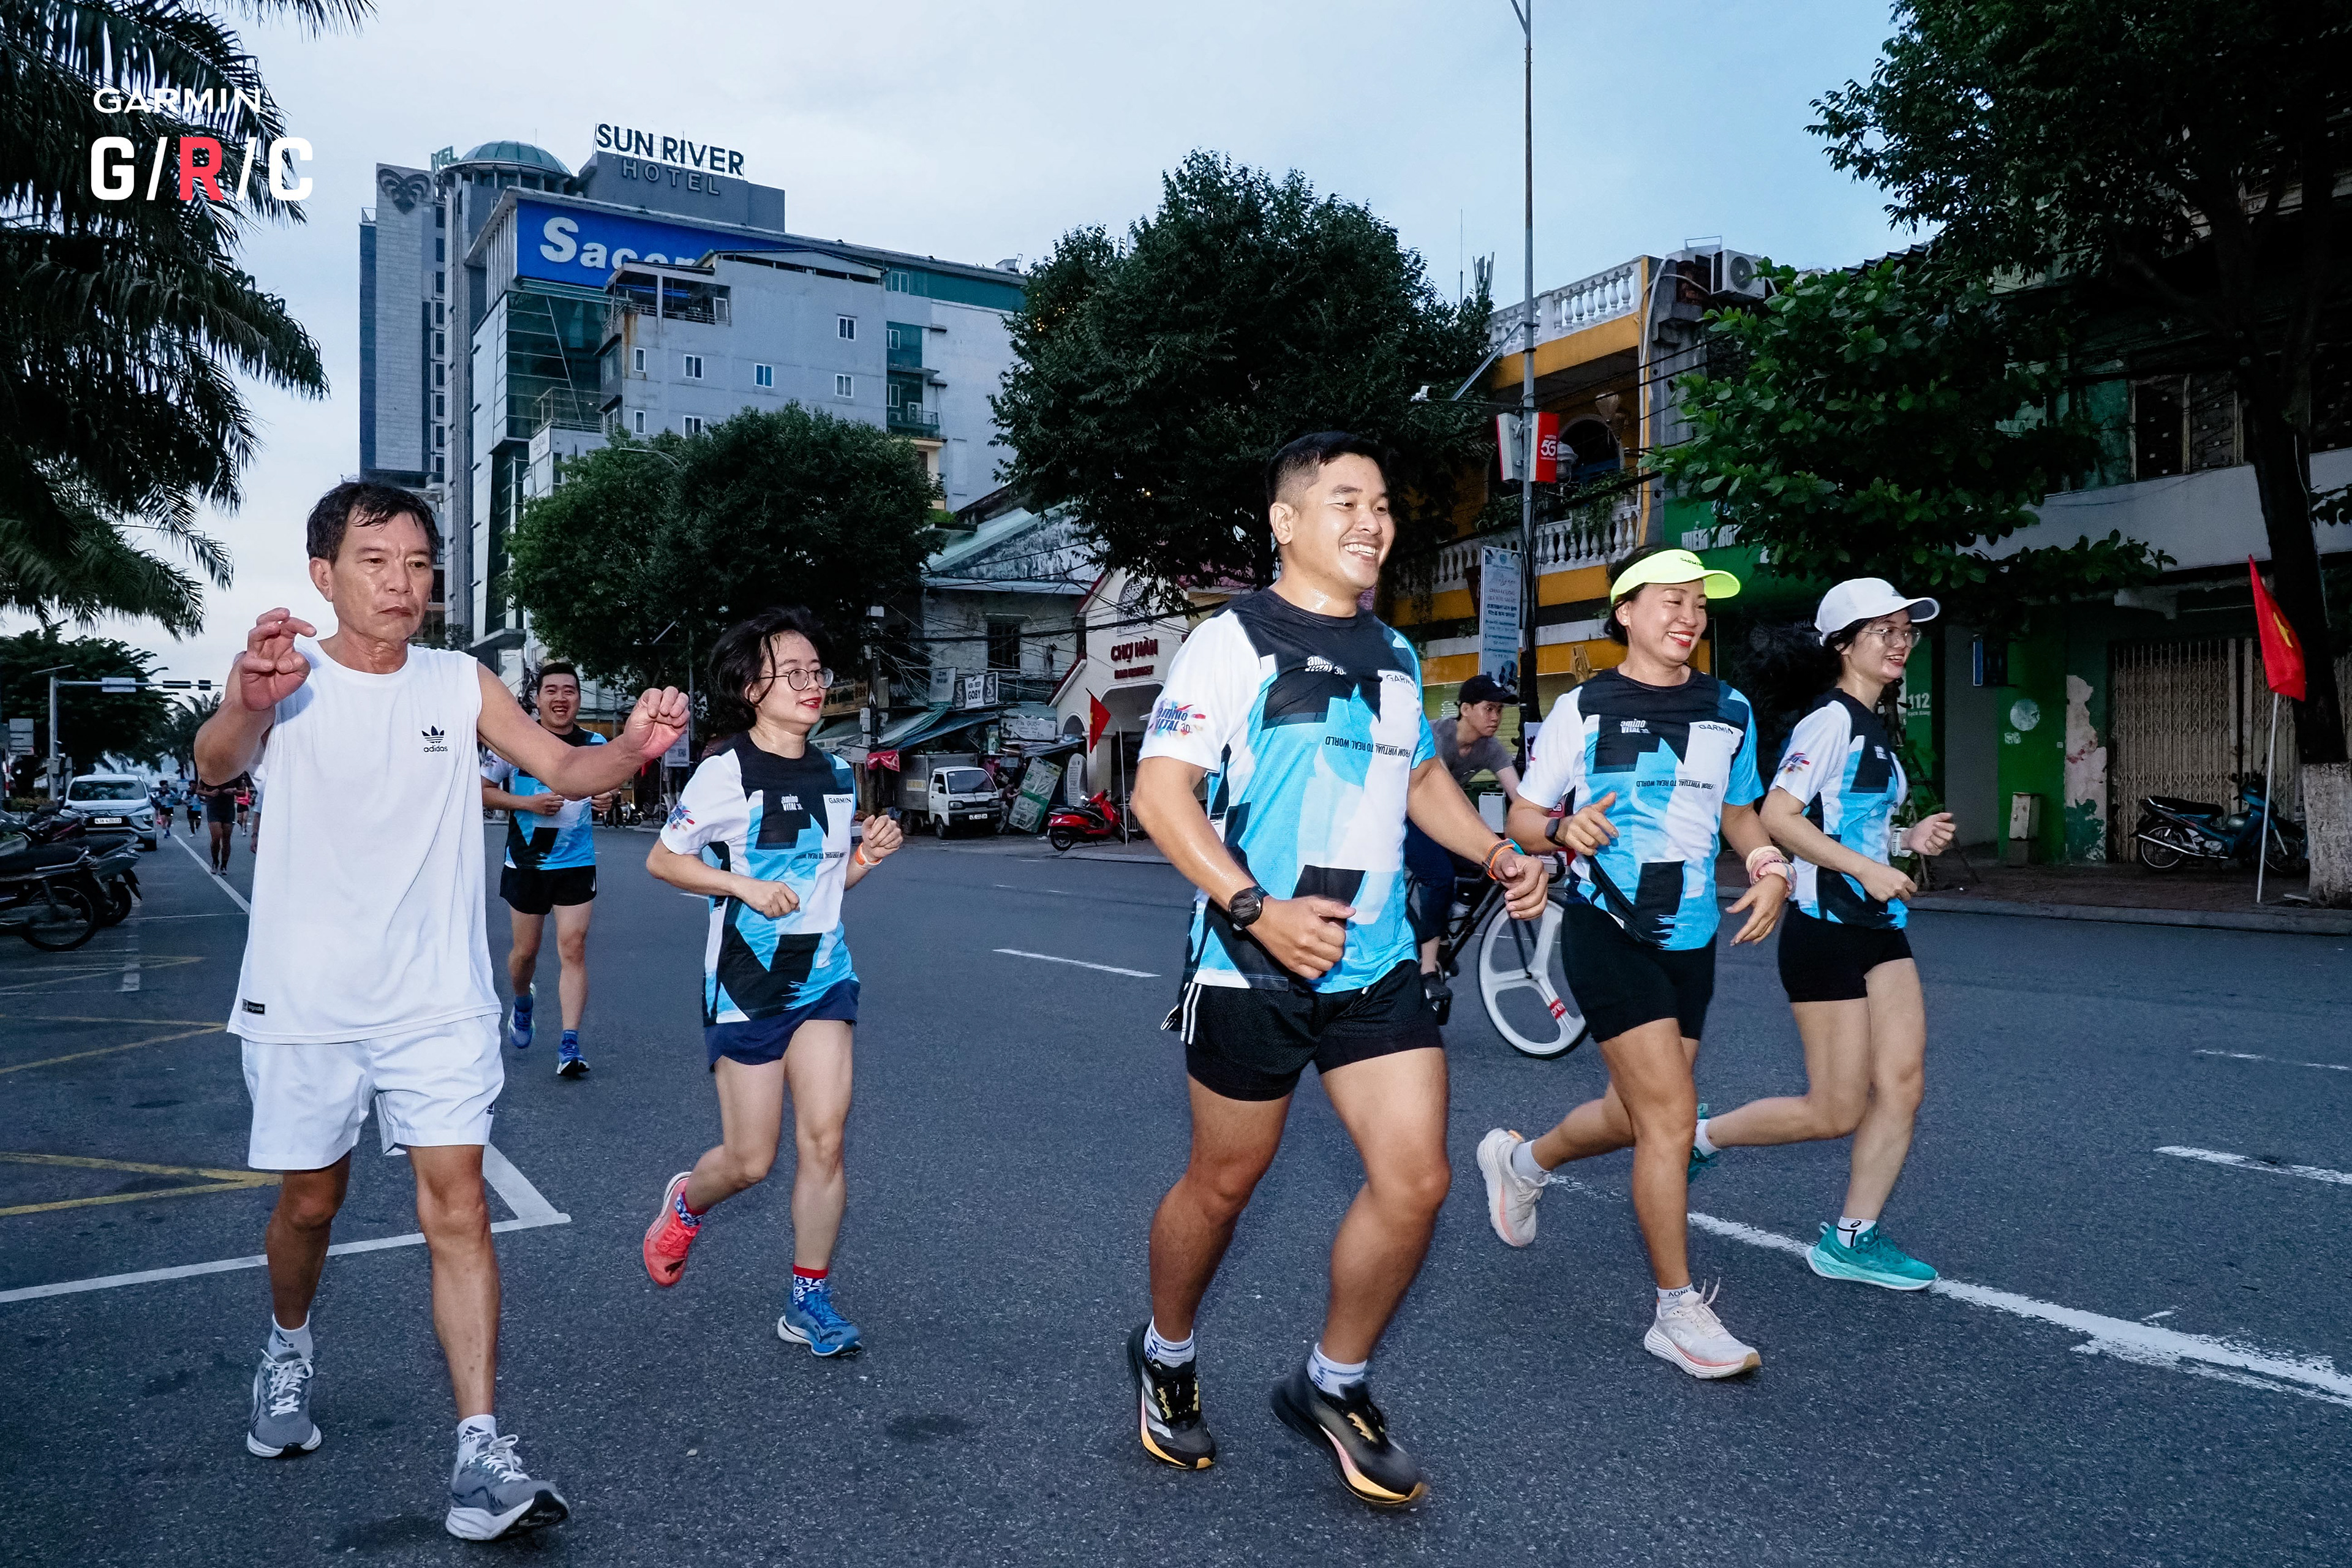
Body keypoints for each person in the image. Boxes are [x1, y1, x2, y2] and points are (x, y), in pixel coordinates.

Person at [196, 480, 685, 1542]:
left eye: (420, 563)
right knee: (311, 1207)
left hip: (435, 999)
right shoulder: (287, 676)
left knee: (457, 1207)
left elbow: (563, 768)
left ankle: (479, 1454)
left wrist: (636, 749)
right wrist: (246, 699)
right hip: (306, 999)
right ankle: (288, 1343)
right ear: (324, 575)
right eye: (378, 561)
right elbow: (218, 762)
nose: (404, 582)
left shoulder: (458, 682)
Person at [1124, 433, 1548, 1506]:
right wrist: (1255, 911)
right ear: (1285, 521)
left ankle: (1334, 1382)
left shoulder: (1399, 659)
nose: (1373, 521)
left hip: (1372, 967)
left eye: (1384, 504)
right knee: (1223, 1187)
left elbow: (1418, 786)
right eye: (1345, 500)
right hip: (1248, 966)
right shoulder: (1231, 642)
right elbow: (1160, 798)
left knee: (1417, 1181)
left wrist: (1497, 849)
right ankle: (1166, 1354)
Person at [1476, 545, 1789, 1379]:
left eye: (1698, 605)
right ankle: (1676, 1310)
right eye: (1670, 601)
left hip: (1692, 937)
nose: (1687, 618)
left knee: (1634, 1112)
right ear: (1626, 612)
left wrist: (1770, 868)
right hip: (1608, 927)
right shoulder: (1584, 707)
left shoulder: (1731, 708)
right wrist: (1560, 831)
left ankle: (1520, 1161)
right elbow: (1526, 815)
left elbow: (1743, 816)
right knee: (1670, 1119)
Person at [639, 607, 903, 1359]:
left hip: (823, 977)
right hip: (747, 985)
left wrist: (868, 858)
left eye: (817, 671)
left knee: (825, 1142)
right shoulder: (726, 772)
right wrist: (742, 888)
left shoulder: (838, 772)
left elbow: (828, 885)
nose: (812, 683)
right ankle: (688, 1202)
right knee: (752, 1159)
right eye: (794, 673)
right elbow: (664, 860)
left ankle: (808, 1300)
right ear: (752, 688)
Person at [1686, 579, 1956, 1289]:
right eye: (1883, 631)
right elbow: (1779, 814)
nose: (1901, 642)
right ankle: (1700, 1138)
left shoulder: (1876, 727)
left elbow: (1846, 825)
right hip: (1823, 926)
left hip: (1877, 924)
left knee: (1903, 1083)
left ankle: (1852, 1238)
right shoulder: (1829, 723)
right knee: (1834, 1108)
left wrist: (1907, 837)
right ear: (1843, 644)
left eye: (1907, 631)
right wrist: (1869, 866)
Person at [481, 662, 614, 1079]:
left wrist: (606, 799)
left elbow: (605, 788)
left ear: (579, 698)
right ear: (536, 699)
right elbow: (480, 791)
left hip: (576, 864)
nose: (561, 699)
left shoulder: (595, 744)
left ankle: (569, 1043)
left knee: (573, 948)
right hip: (526, 864)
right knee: (525, 955)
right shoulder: (517, 744)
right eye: (551, 691)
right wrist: (527, 804)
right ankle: (523, 1002)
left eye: (570, 691)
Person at [1402, 671, 1524, 1016]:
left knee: (1493, 862)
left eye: (1499, 710)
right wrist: (1485, 837)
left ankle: (1446, 922)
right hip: (1405, 810)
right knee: (1439, 875)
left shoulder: (1490, 747)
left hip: (1438, 816)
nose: (1496, 717)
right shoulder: (1438, 735)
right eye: (1489, 709)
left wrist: (1537, 831)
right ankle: (1428, 970)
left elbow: (1518, 796)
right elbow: (1442, 794)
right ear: (1465, 709)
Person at [203, 775, 239, 874]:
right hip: (214, 808)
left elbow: (243, 792)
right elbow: (199, 790)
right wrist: (210, 793)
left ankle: (224, 864)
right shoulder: (208, 773)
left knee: (226, 839)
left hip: (228, 809)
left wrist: (234, 792)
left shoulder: (235, 773)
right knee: (216, 837)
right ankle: (215, 861)